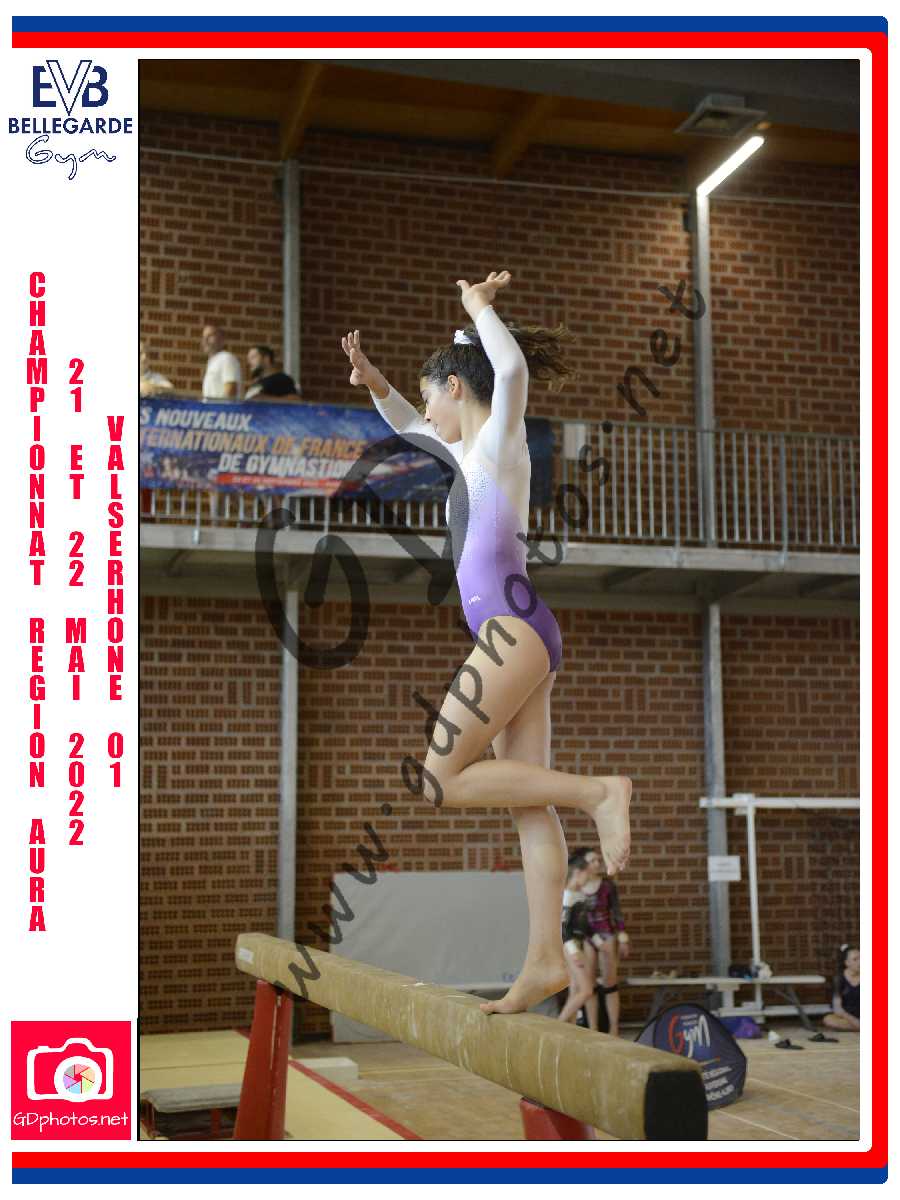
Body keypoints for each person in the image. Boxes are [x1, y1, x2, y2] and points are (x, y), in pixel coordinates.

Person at [340, 270, 632, 1016]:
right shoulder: (466, 454)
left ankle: (600, 792)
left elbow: (511, 371)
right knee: (527, 803)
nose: (424, 410)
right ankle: (544, 960)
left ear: (454, 387)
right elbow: (407, 425)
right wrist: (376, 383)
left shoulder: (499, 442)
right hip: (523, 631)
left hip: (511, 626)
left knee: (440, 778)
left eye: (427, 395)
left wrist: (476, 307)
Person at [578, 849, 630, 1037]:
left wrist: (623, 938)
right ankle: (592, 1028)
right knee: (589, 984)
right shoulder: (577, 886)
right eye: (592, 860)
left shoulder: (607, 885)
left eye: (598, 860)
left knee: (610, 983)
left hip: (607, 935)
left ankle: (614, 1028)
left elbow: (617, 913)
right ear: (583, 864)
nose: (597, 863)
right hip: (587, 937)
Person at [557, 852, 600, 1030]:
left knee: (575, 989)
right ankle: (557, 1026)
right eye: (587, 874)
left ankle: (570, 1029)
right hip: (570, 946)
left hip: (578, 944)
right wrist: (574, 952)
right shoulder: (567, 896)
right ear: (577, 872)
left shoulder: (579, 895)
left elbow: (584, 926)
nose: (589, 878)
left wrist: (597, 940)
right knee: (586, 990)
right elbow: (563, 929)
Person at [823, 944, 860, 1031]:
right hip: (847, 1016)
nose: (860, 962)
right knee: (828, 1019)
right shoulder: (839, 979)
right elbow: (837, 1008)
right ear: (846, 963)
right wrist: (854, 1021)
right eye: (855, 959)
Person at [201, 324, 242, 399]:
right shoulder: (212, 362)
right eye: (204, 337)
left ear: (222, 340)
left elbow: (231, 391)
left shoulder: (226, 358)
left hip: (221, 407)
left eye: (210, 336)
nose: (205, 340)